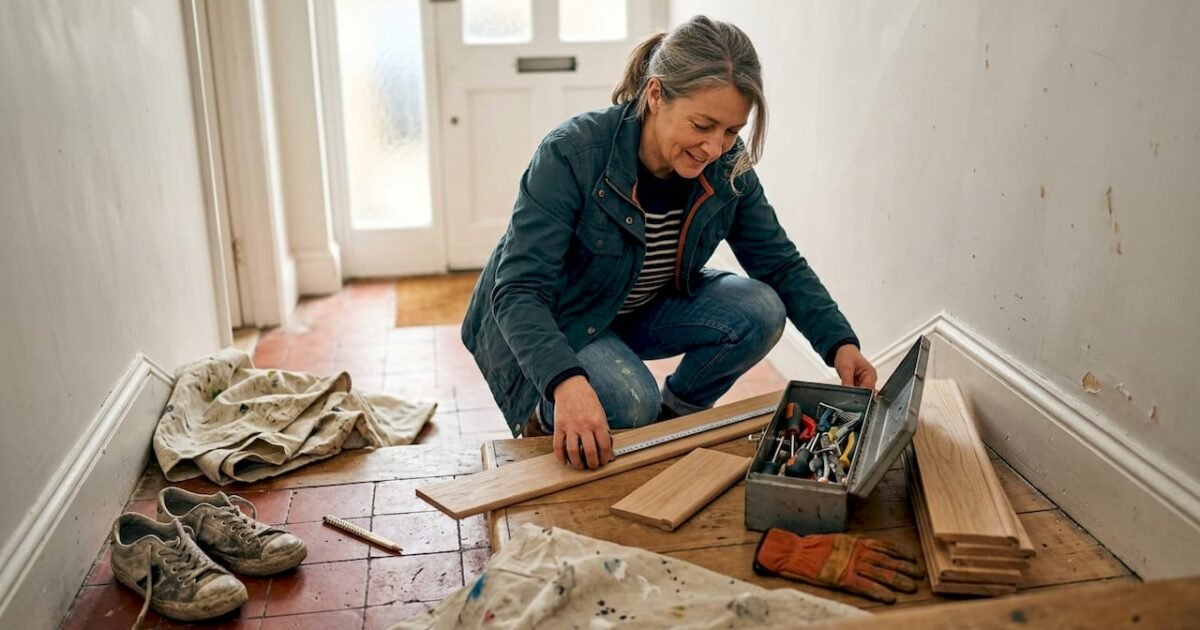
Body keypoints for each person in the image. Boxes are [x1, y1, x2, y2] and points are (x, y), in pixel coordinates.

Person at [461, 15, 876, 471]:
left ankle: (673, 421)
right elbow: (518, 290)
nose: (715, 148)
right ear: (656, 95)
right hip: (561, 319)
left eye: (732, 131)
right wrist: (566, 384)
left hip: (633, 307)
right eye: (702, 125)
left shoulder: (725, 167)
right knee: (629, 402)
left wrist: (840, 344)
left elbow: (778, 262)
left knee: (761, 308)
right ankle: (548, 413)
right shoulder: (570, 154)